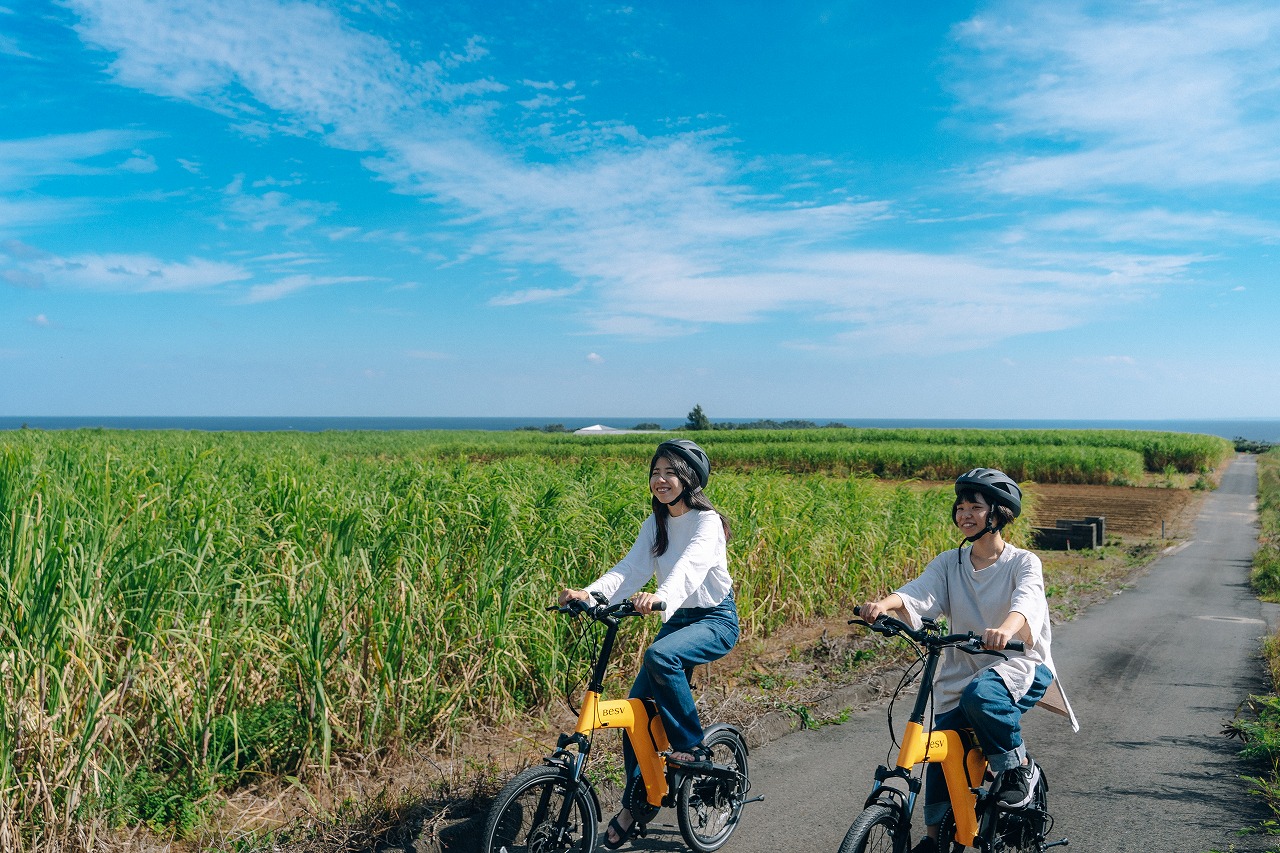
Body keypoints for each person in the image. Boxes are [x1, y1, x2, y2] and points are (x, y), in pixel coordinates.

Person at [856, 468, 1078, 853]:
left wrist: (1005, 630)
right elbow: (920, 592)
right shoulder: (950, 562)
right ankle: (932, 840)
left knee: (981, 695)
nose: (965, 515)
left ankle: (1016, 768)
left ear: (998, 514)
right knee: (944, 747)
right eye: (960, 507)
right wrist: (883, 606)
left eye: (975, 507)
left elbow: (1026, 604)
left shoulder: (1023, 562)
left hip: (1018, 666)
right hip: (962, 670)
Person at [558, 438, 738, 850]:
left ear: (689, 479)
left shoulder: (706, 523)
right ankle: (636, 806)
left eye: (670, 472)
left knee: (660, 655)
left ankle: (693, 747)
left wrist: (660, 599)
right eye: (656, 472)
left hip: (714, 619)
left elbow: (690, 569)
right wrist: (589, 594)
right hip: (676, 619)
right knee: (635, 713)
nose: (661, 479)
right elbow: (630, 569)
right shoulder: (654, 524)